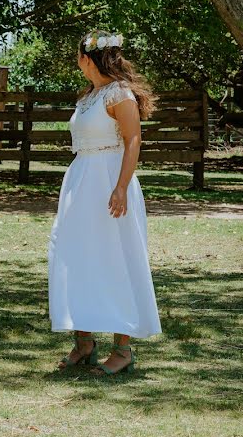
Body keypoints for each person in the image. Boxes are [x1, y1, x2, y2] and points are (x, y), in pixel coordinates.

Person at [47, 30, 162, 375]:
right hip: (81, 181)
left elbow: (133, 140)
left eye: (78, 57)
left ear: (87, 58)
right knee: (79, 258)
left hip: (110, 180)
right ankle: (84, 343)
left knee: (114, 258)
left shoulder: (118, 94)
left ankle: (123, 350)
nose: (77, 63)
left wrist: (121, 187)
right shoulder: (89, 96)